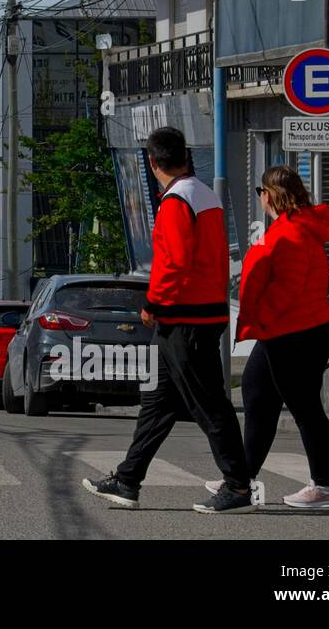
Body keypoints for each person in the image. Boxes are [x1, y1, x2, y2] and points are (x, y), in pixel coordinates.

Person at [82, 127, 254, 514]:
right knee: (158, 402)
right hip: (200, 312)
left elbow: (173, 262)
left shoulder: (176, 201)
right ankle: (128, 480)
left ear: (151, 161)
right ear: (186, 155)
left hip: (184, 318)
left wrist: (153, 303)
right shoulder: (205, 194)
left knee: (209, 403)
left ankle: (239, 487)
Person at [205, 165, 329, 508]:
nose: (260, 198)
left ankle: (323, 487)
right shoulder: (290, 229)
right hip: (287, 330)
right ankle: (241, 480)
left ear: (270, 195)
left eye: (260, 192)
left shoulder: (292, 234)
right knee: (256, 394)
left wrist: (261, 318)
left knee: (305, 407)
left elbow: (288, 290)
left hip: (296, 332)